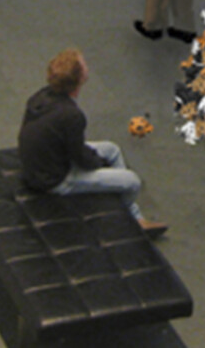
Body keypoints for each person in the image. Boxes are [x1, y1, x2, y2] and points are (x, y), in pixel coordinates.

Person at [17, 48, 165, 235]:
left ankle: (128, 210)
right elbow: (80, 157)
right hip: (55, 180)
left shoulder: (42, 95)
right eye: (83, 64)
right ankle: (130, 219)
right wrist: (98, 163)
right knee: (133, 181)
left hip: (42, 163)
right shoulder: (72, 115)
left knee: (112, 149)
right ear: (78, 79)